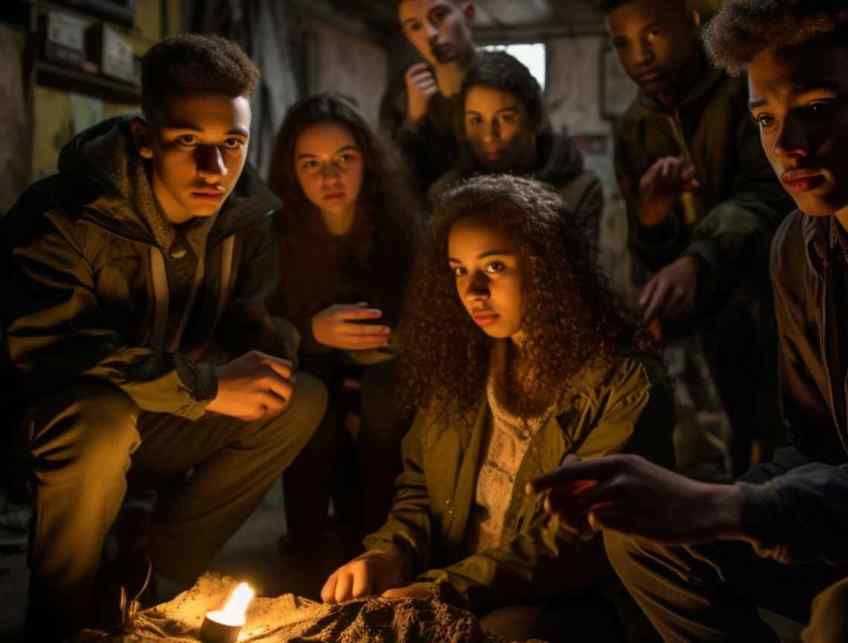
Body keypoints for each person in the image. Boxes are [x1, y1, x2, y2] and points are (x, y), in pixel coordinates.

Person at [531, 1, 848, 641]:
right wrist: (692, 504)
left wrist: (732, 506)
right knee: (646, 543)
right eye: (765, 119)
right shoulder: (801, 246)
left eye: (817, 109)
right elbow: (818, 448)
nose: (786, 147)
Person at [2, 35, 327, 640]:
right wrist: (205, 387)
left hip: (169, 409)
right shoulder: (65, 215)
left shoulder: (246, 217)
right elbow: (50, 352)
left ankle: (147, 577)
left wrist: (276, 347)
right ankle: (60, 614)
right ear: (146, 138)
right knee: (99, 421)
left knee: (297, 397)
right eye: (188, 143)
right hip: (56, 422)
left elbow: (251, 322)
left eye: (233, 144)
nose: (217, 170)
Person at [320, 175, 674, 642]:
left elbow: (577, 541)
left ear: (546, 268)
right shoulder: (463, 362)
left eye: (494, 268)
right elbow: (420, 490)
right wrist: (387, 555)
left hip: (567, 598)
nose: (472, 291)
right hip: (451, 581)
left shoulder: (624, 383)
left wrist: (442, 589)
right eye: (458, 270)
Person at [601, 0, 794, 478]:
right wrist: (652, 221)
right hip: (710, 329)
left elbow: (771, 195)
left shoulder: (743, 92)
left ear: (690, 21)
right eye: (622, 44)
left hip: (782, 302)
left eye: (652, 34)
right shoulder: (635, 129)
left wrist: (698, 260)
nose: (639, 56)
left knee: (787, 445)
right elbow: (652, 252)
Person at [267, 94, 420, 570]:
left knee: (384, 398)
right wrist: (311, 332)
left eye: (343, 160)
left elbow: (431, 309)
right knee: (308, 400)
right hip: (310, 367)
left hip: (386, 369)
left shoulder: (402, 226)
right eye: (310, 163)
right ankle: (306, 545)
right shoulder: (275, 235)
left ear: (367, 162)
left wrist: (402, 338)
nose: (329, 178)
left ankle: (379, 543)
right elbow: (255, 326)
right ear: (291, 170)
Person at [430, 50, 604, 249]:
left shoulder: (578, 191)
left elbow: (584, 273)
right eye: (476, 120)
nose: (489, 136)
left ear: (533, 118)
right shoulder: (447, 195)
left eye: (505, 118)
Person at [380, 0, 478, 192]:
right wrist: (414, 119)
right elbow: (390, 176)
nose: (430, 34)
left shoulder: (503, 77)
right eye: (415, 26)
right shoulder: (401, 94)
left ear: (468, 14)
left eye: (440, 16)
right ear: (408, 36)